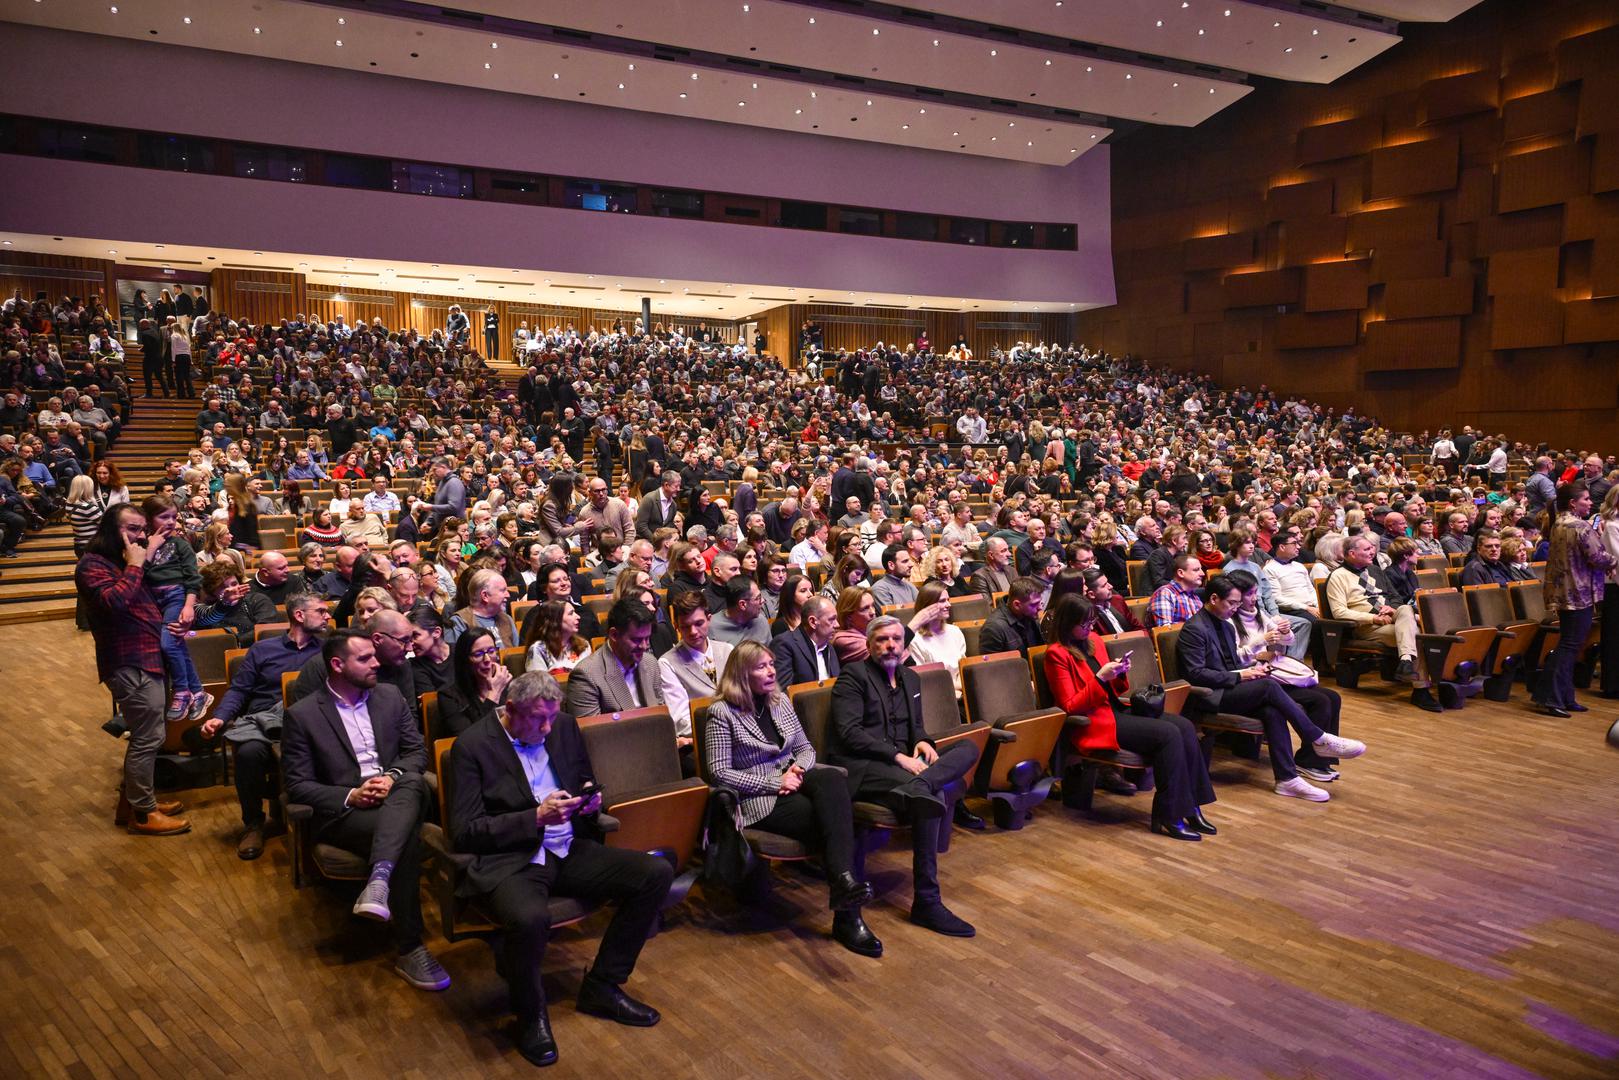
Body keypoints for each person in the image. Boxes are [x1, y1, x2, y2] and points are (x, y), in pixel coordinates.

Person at [448, 670, 673, 1068]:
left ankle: (603, 985)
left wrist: (588, 800)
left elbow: (584, 778)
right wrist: (534, 817)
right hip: (514, 859)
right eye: (539, 719)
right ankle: (530, 1014)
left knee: (655, 873)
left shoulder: (565, 726)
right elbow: (465, 831)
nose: (548, 728)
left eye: (552, 717)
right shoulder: (472, 745)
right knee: (530, 919)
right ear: (511, 709)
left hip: (569, 847)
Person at [281, 630, 449, 992]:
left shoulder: (388, 697)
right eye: (365, 659)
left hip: (396, 792)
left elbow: (415, 753)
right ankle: (410, 946)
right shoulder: (303, 715)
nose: (376, 663)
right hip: (348, 814)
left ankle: (379, 882)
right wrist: (351, 795)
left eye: (374, 655)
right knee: (405, 838)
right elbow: (298, 785)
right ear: (337, 665)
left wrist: (389, 777)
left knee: (411, 782)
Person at [705, 642, 878, 954]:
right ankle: (848, 916)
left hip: (795, 778)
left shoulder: (780, 700)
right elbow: (719, 773)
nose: (771, 671)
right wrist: (775, 783)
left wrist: (799, 767)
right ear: (742, 674)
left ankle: (843, 887)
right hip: (759, 797)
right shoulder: (721, 713)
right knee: (840, 823)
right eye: (761, 666)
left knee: (831, 778)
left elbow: (805, 748)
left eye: (772, 664)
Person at [829, 616, 980, 938]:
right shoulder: (853, 677)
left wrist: (923, 742)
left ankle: (921, 784)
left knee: (968, 746)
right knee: (929, 795)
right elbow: (849, 733)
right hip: (864, 768)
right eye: (882, 640)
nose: (890, 646)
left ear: (904, 644)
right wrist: (899, 758)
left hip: (904, 768)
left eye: (896, 639)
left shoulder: (910, 678)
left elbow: (916, 729)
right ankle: (927, 901)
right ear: (869, 644)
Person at [1176, 576, 1365, 803]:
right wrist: (1241, 675)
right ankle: (1317, 738)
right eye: (1232, 603)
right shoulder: (1194, 629)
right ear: (1214, 599)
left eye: (1238, 603)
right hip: (1209, 695)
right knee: (1268, 686)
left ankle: (1287, 779)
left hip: (1228, 687)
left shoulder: (1224, 625)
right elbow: (1195, 674)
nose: (1236, 608)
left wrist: (1249, 672)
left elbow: (1231, 664)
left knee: (1271, 710)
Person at [1044, 594, 1216, 840]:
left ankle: (1192, 807)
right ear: (1066, 622)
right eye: (1084, 623)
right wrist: (1100, 679)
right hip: (1095, 721)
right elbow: (1069, 706)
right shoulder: (1056, 654)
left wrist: (1119, 672)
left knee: (1185, 726)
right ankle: (1169, 814)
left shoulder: (1094, 641)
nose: (1090, 627)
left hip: (1116, 709)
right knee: (1168, 734)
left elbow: (1114, 690)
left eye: (1091, 621)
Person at [76, 504, 192, 835]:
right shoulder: (92, 565)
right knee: (148, 737)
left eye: (142, 529)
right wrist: (136, 564)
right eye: (132, 528)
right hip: (129, 660)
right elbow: (114, 603)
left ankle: (135, 803)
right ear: (110, 529)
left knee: (149, 734)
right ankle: (143, 814)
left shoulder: (122, 561)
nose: (140, 535)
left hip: (148, 656)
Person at [199, 591, 331, 858]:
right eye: (321, 611)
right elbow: (239, 690)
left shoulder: (328, 650)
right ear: (299, 615)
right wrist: (219, 716)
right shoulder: (263, 650)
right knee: (248, 753)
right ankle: (253, 824)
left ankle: (322, 821)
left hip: (311, 720)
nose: (328, 616)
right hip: (264, 720)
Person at [1224, 570, 1347, 785]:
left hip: (1274, 673)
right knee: (1319, 700)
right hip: (1255, 678)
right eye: (1249, 594)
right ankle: (1309, 760)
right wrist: (1261, 642)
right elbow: (1234, 659)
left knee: (1332, 697)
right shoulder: (1230, 622)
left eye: (1256, 592)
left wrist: (1285, 631)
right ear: (1236, 595)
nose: (1255, 598)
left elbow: (1288, 642)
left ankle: (1319, 759)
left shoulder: (1258, 614)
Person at [1326, 535, 1440, 712]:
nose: (1372, 552)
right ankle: (1420, 690)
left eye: (1372, 548)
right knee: (1416, 635)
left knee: (1405, 609)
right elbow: (1339, 612)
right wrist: (1373, 618)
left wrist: (1391, 608)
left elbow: (1395, 597)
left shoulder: (1375, 570)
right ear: (1352, 553)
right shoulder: (1337, 576)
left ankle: (1405, 660)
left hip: (1391, 620)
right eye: (1367, 549)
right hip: (1366, 627)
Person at [1537, 481, 1614, 717]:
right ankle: (1551, 698)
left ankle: (1564, 696)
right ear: (1573, 503)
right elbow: (1598, 557)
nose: (1590, 503)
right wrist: (1613, 560)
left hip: (1566, 591)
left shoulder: (1559, 522)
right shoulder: (1579, 526)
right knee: (1569, 646)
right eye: (1586, 499)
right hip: (1578, 592)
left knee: (1569, 645)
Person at [138, 495, 210, 723]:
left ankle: (181, 690)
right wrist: (150, 548)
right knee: (176, 644)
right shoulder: (140, 545)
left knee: (168, 644)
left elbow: (192, 580)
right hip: (152, 601)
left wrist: (188, 606)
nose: (170, 522)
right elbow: (137, 575)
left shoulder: (180, 545)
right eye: (163, 517)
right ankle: (198, 691)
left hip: (175, 598)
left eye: (173, 517)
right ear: (148, 518)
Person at [564, 598, 664, 717]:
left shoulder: (650, 662)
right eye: (636, 640)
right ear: (614, 635)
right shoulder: (586, 675)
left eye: (647, 638)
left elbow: (661, 714)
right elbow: (591, 728)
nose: (644, 646)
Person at [438, 627, 513, 737]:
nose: (487, 659)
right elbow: (472, 740)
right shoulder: (449, 697)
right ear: (465, 660)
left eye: (491, 651)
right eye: (478, 654)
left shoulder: (510, 685)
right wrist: (494, 694)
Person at [905, 580, 967, 692]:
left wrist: (962, 688)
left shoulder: (955, 631)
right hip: (936, 693)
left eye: (948, 600)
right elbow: (925, 679)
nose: (948, 605)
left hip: (963, 691)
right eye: (942, 601)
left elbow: (963, 668)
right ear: (928, 605)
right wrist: (958, 688)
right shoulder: (915, 640)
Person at [772, 594, 842, 686]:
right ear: (813, 622)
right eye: (831, 619)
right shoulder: (784, 645)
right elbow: (783, 691)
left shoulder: (829, 647)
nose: (837, 625)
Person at [523, 599, 593, 677]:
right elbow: (538, 682)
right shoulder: (538, 650)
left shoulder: (584, 645)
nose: (578, 617)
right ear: (555, 621)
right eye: (571, 613)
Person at [978, 576, 1045, 657]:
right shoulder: (993, 628)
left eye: (1040, 602)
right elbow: (992, 663)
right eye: (1034, 604)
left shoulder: (1030, 616)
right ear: (1017, 605)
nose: (1040, 608)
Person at [709, 575, 771, 646]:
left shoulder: (761, 621)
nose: (763, 600)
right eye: (758, 598)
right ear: (743, 604)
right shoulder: (711, 628)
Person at [1148, 553, 1205, 627]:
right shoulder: (1165, 593)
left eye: (1201, 569)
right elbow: (1165, 630)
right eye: (1196, 570)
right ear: (1181, 573)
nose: (1202, 573)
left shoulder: (1195, 597)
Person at [869, 544, 918, 609]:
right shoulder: (879, 589)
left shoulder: (909, 586)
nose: (911, 564)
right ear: (891, 565)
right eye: (905, 561)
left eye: (910, 560)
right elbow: (891, 615)